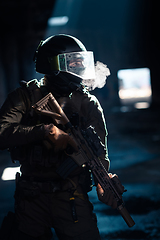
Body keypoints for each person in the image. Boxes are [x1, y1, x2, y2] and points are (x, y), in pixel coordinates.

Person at [0, 34, 118, 240]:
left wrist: (104, 183)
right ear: (51, 65)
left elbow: (99, 153)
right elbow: (1, 133)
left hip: (72, 196)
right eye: (72, 62)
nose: (78, 67)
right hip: (31, 198)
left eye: (81, 62)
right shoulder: (25, 97)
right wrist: (44, 131)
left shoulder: (88, 103)